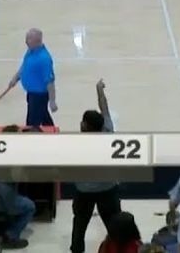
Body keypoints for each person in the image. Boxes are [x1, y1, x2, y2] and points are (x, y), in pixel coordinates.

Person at [71, 80, 120, 253]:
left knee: (80, 225)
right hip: (108, 189)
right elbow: (105, 108)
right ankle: (120, 249)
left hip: (84, 192)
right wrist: (99, 91)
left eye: (83, 122)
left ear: (86, 126)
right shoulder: (108, 130)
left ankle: (77, 250)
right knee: (114, 224)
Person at [0, 28, 55, 127]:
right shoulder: (30, 51)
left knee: (32, 122)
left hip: (39, 96)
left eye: (29, 39)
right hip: (31, 94)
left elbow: (50, 81)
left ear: (37, 41)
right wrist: (15, 78)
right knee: (43, 116)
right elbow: (24, 66)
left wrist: (52, 101)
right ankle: (52, 131)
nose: (26, 41)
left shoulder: (44, 59)